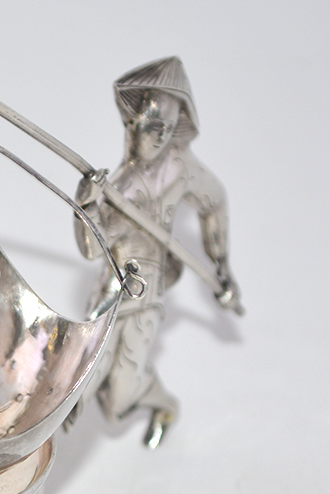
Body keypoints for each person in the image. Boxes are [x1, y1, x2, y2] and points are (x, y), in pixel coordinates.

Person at [69, 56, 239, 448]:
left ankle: (163, 404)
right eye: (148, 124)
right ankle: (39, 456)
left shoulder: (182, 167)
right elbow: (92, 249)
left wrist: (222, 265)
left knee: (119, 399)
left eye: (165, 128)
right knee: (81, 379)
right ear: (131, 123)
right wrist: (86, 206)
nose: (156, 136)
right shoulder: (121, 186)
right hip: (111, 293)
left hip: (150, 295)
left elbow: (215, 201)